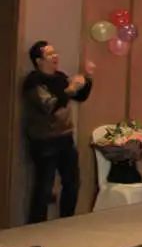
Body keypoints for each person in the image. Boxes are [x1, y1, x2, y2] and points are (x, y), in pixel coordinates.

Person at [22, 41, 95, 223]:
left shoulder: (60, 77)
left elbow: (80, 96)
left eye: (55, 52)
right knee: (44, 188)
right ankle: (36, 227)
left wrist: (87, 79)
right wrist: (70, 89)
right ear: (39, 61)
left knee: (72, 183)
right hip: (44, 141)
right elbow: (50, 105)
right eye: (49, 54)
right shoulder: (34, 82)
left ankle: (65, 223)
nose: (55, 56)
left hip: (65, 138)